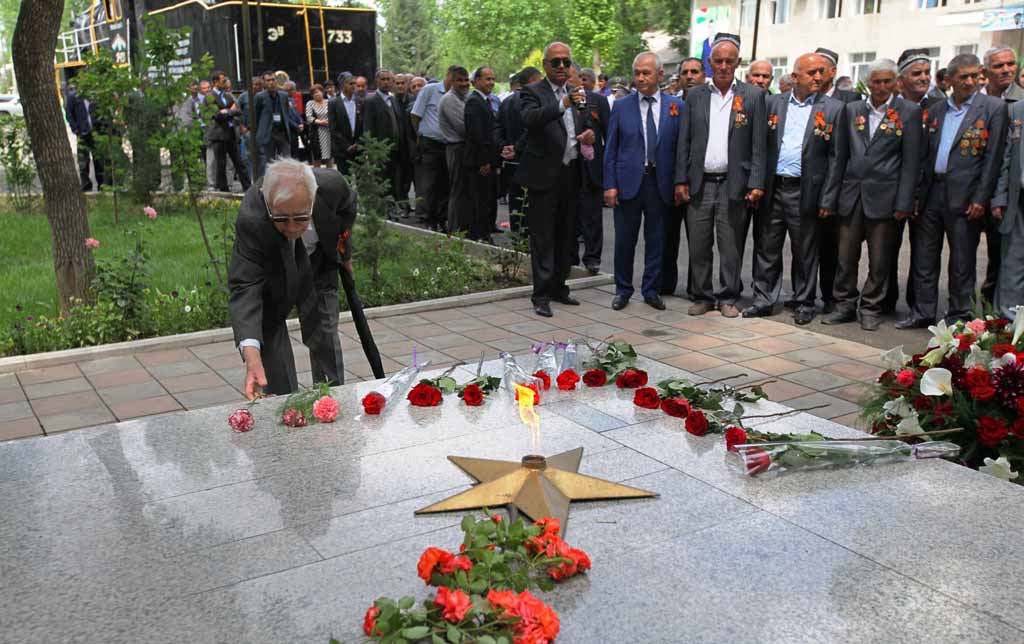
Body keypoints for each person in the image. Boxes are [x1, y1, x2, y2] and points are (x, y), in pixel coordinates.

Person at [229, 158, 356, 399]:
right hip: (274, 273)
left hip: (319, 264)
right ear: (267, 201)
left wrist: (344, 251)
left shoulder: (333, 186)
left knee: (325, 332)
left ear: (313, 198)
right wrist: (251, 355)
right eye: (280, 219)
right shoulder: (252, 219)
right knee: (269, 348)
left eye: (300, 218)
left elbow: (348, 209)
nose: (291, 228)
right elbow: (245, 285)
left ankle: (330, 398)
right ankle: (285, 405)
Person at [898, 53, 1008, 328]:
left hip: (967, 196)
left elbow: (993, 158)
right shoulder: (937, 110)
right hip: (932, 192)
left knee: (962, 260)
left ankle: (959, 315)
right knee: (924, 257)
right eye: (963, 77)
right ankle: (922, 312)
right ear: (949, 80)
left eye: (974, 76)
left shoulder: (992, 108)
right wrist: (915, 195)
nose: (970, 82)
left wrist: (981, 197)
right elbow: (923, 156)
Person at [744, 53, 847, 325]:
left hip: (806, 190)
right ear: (795, 76)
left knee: (805, 250)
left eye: (821, 72)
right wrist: (756, 184)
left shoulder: (834, 108)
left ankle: (804, 302)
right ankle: (763, 299)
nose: (818, 77)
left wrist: (828, 198)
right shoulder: (772, 104)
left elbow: (837, 159)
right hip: (773, 188)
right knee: (767, 247)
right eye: (812, 72)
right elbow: (758, 147)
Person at [824, 59, 921, 331]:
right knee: (845, 258)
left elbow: (911, 162)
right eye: (876, 81)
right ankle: (844, 305)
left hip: (886, 197)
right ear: (867, 83)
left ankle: (870, 307)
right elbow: (839, 156)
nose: (881, 87)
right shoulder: (853, 109)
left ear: (896, 82)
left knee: (880, 260)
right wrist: (830, 198)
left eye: (887, 81)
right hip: (851, 194)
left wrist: (904, 201)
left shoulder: (909, 111)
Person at [675, 33, 766, 319]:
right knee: (699, 244)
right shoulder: (696, 95)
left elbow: (759, 144)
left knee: (731, 245)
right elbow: (684, 141)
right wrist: (681, 179)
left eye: (729, 61)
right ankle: (702, 296)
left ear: (738, 63)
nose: (724, 66)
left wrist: (756, 182)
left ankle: (728, 297)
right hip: (700, 183)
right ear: (710, 62)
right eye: (718, 61)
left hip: (733, 184)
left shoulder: (753, 96)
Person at [516, 42, 597, 318]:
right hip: (543, 175)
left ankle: (559, 287)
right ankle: (540, 295)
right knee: (543, 237)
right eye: (556, 62)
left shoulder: (577, 92)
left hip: (571, 172)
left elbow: (585, 123)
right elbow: (530, 119)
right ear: (545, 65)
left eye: (566, 62)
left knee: (566, 235)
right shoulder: (532, 92)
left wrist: (589, 135)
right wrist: (562, 104)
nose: (562, 67)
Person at [604, 51, 682, 312]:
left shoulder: (676, 106)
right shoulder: (622, 105)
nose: (640, 78)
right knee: (625, 241)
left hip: (660, 183)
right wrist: (610, 184)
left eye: (646, 73)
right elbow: (611, 148)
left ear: (660, 75)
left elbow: (680, 148)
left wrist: (680, 182)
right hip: (628, 183)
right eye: (637, 73)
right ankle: (623, 290)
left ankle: (651, 290)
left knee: (657, 241)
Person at [979, 46, 1023, 304]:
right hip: (974, 189)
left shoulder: (1020, 103)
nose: (1006, 70)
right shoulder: (975, 99)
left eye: (1011, 64)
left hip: (1006, 191)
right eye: (998, 66)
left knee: (1003, 254)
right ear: (985, 71)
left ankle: (993, 306)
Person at [572, 63, 610, 275]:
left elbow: (609, 135)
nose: (578, 81)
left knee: (592, 215)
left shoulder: (598, 101)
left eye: (580, 77)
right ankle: (569, 257)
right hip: (567, 166)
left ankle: (593, 258)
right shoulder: (559, 101)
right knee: (569, 215)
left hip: (591, 167)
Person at [411, 66, 455, 231]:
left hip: (448, 144)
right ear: (448, 76)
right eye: (455, 79)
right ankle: (429, 219)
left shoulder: (456, 94)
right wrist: (419, 134)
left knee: (445, 183)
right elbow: (415, 115)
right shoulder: (430, 90)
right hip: (430, 143)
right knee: (430, 183)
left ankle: (442, 219)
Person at [991, 97, 1024, 317]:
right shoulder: (1017, 110)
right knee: (1014, 260)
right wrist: (1000, 197)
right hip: (1018, 199)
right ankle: (1008, 321)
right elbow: (1005, 158)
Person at [497, 66, 541, 234]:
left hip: (511, 159)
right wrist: (516, 147)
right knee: (530, 201)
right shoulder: (532, 102)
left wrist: (504, 146)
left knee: (515, 200)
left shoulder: (506, 101)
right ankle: (528, 236)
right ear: (532, 81)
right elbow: (531, 129)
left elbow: (497, 127)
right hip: (529, 157)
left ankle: (517, 235)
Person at [464, 66, 500, 243]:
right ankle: (478, 234)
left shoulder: (485, 101)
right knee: (479, 199)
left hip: (487, 159)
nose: (491, 83)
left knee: (486, 198)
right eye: (487, 79)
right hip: (479, 161)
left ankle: (484, 231)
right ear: (476, 81)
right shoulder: (474, 102)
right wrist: (484, 162)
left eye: (493, 79)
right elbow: (476, 135)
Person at [363, 69, 404, 207]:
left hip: (395, 149)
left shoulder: (393, 100)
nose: (386, 82)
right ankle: (383, 209)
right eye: (383, 79)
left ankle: (393, 207)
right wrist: (371, 151)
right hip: (379, 151)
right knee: (381, 181)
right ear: (377, 81)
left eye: (389, 79)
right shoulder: (370, 101)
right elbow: (367, 127)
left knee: (394, 180)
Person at [205, 70, 251, 192]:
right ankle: (223, 189)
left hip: (231, 133)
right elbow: (217, 116)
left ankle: (247, 187)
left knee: (239, 162)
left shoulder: (228, 96)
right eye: (223, 80)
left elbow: (238, 111)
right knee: (221, 164)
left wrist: (227, 111)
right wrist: (230, 111)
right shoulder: (210, 97)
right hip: (218, 135)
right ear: (215, 82)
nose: (225, 82)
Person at [439, 67, 471, 233]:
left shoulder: (465, 97)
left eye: (466, 80)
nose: (464, 84)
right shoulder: (449, 100)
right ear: (451, 81)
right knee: (458, 191)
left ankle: (464, 228)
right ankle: (455, 230)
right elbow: (463, 128)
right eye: (459, 80)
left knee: (466, 191)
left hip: (465, 148)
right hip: (456, 148)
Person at [253, 71, 295, 179]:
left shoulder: (283, 95)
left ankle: (286, 182)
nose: (271, 82)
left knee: (287, 160)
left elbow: (286, 113)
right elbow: (256, 116)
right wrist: (258, 134)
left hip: (282, 132)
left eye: (273, 79)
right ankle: (267, 183)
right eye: (268, 80)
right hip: (268, 134)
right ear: (264, 82)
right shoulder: (259, 97)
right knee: (268, 162)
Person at [67, 91, 106, 191]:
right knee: (83, 161)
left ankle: (101, 184)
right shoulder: (74, 96)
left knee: (99, 160)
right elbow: (69, 114)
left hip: (95, 132)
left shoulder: (94, 94)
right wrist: (75, 129)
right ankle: (86, 185)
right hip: (82, 132)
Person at [328, 72, 362, 176]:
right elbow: (333, 128)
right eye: (351, 83)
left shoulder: (360, 101)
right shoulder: (333, 103)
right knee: (345, 179)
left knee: (361, 178)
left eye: (355, 83)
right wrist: (346, 146)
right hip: (342, 150)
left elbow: (363, 124)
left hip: (358, 148)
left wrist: (358, 143)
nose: (354, 86)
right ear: (342, 85)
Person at [237, 76, 263, 183]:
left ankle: (261, 179)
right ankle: (250, 179)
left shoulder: (264, 96)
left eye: (259, 85)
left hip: (261, 131)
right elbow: (237, 112)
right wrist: (241, 127)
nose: (256, 87)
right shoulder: (243, 97)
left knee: (261, 155)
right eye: (254, 84)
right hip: (248, 130)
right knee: (248, 156)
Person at [305, 84, 333, 169]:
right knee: (317, 157)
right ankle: (317, 175)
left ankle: (330, 174)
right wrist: (320, 122)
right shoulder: (310, 103)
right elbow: (309, 117)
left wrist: (329, 121)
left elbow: (334, 115)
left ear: (322, 92)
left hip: (329, 132)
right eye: (314, 93)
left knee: (330, 157)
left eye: (318, 92)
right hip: (316, 133)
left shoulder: (329, 102)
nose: (316, 94)